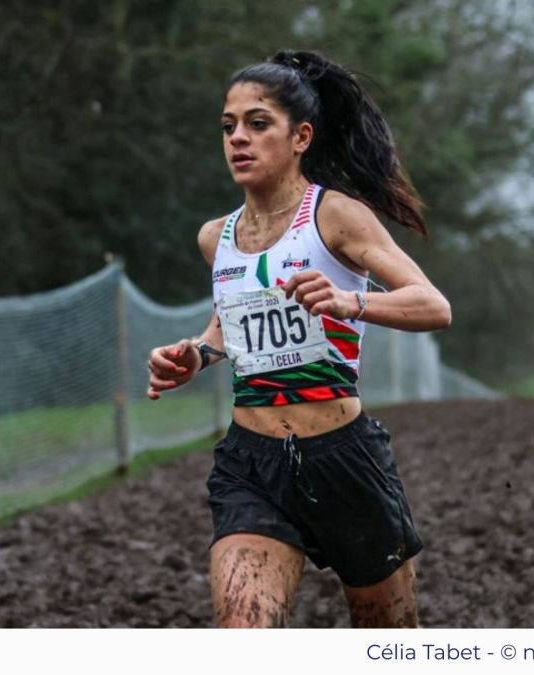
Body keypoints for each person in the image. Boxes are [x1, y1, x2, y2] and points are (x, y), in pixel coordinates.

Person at [145, 50, 450, 628]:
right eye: (229, 126)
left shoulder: (335, 216)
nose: (238, 138)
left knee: (388, 640)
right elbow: (228, 323)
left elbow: (434, 306)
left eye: (258, 124)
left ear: (301, 136)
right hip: (252, 465)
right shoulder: (218, 238)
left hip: (343, 459)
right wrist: (197, 354)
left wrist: (349, 301)